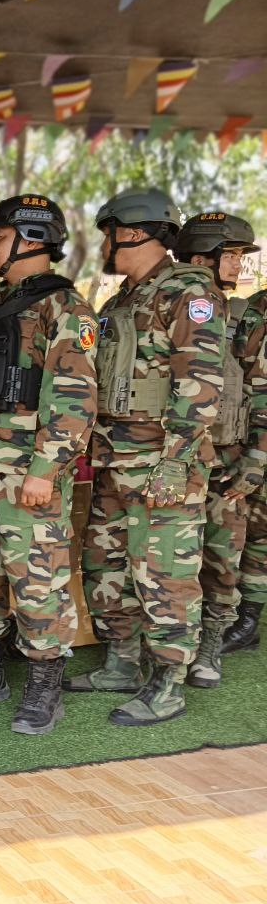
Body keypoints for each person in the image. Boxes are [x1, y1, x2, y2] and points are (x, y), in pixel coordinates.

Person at [68, 188, 225, 726]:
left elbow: (201, 384)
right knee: (105, 565)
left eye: (107, 234)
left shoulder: (188, 290)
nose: (103, 246)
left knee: (164, 575)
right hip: (116, 460)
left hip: (163, 464)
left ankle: (168, 683)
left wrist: (176, 461)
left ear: (134, 232)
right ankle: (122, 663)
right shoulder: (122, 301)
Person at [0, 195, 97, 736]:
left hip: (26, 470)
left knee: (37, 578)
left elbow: (74, 396)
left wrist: (45, 470)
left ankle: (44, 684)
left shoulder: (66, 308)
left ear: (31, 240)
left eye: (1, 236)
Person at [178, 212, 263, 684]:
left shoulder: (241, 317)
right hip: (177, 458)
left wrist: (255, 460)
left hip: (226, 463)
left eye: (239, 256)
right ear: (199, 260)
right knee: (169, 563)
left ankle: (209, 648)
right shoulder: (169, 311)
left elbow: (260, 391)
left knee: (221, 557)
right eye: (229, 255)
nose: (237, 265)